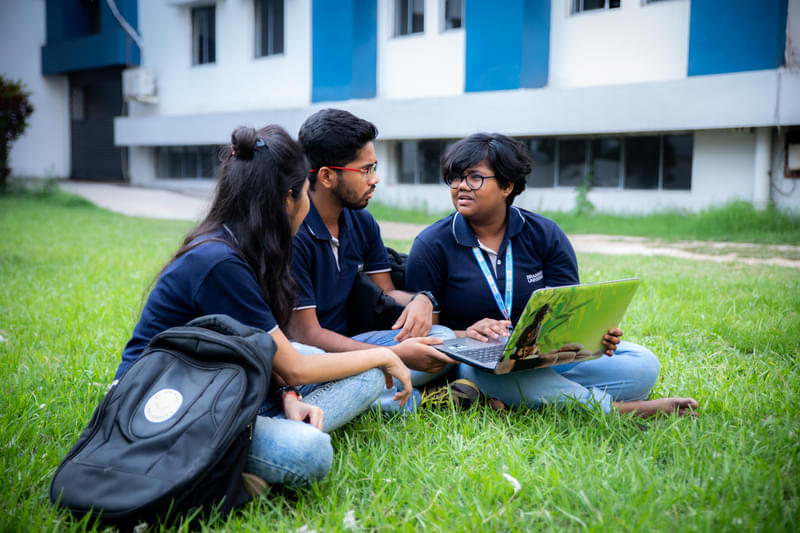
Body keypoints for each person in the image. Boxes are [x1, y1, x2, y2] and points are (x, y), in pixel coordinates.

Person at [113, 124, 441, 492]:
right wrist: (385, 355)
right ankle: (219, 475)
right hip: (159, 408)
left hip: (216, 380)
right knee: (310, 451)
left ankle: (254, 441)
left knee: (360, 372)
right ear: (288, 197)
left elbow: (269, 350)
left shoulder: (249, 245)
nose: (308, 203)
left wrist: (287, 395)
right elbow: (295, 367)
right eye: (305, 192)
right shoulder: (219, 260)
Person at [405, 132, 698, 417]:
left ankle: (523, 397)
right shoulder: (431, 244)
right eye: (455, 178)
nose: (461, 186)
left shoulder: (545, 234)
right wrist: (468, 333)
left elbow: (568, 313)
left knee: (643, 365)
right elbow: (427, 335)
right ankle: (616, 410)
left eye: (474, 177)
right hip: (476, 359)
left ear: (507, 186)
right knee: (489, 373)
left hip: (544, 356)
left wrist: (595, 337)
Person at [288, 108, 456, 412]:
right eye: (365, 170)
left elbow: (387, 292)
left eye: (374, 167)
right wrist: (393, 355)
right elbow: (306, 334)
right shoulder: (295, 231)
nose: (375, 179)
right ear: (326, 176)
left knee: (441, 339)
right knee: (400, 395)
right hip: (307, 357)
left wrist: (423, 299)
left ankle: (389, 387)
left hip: (354, 341)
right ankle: (398, 391)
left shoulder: (361, 221)